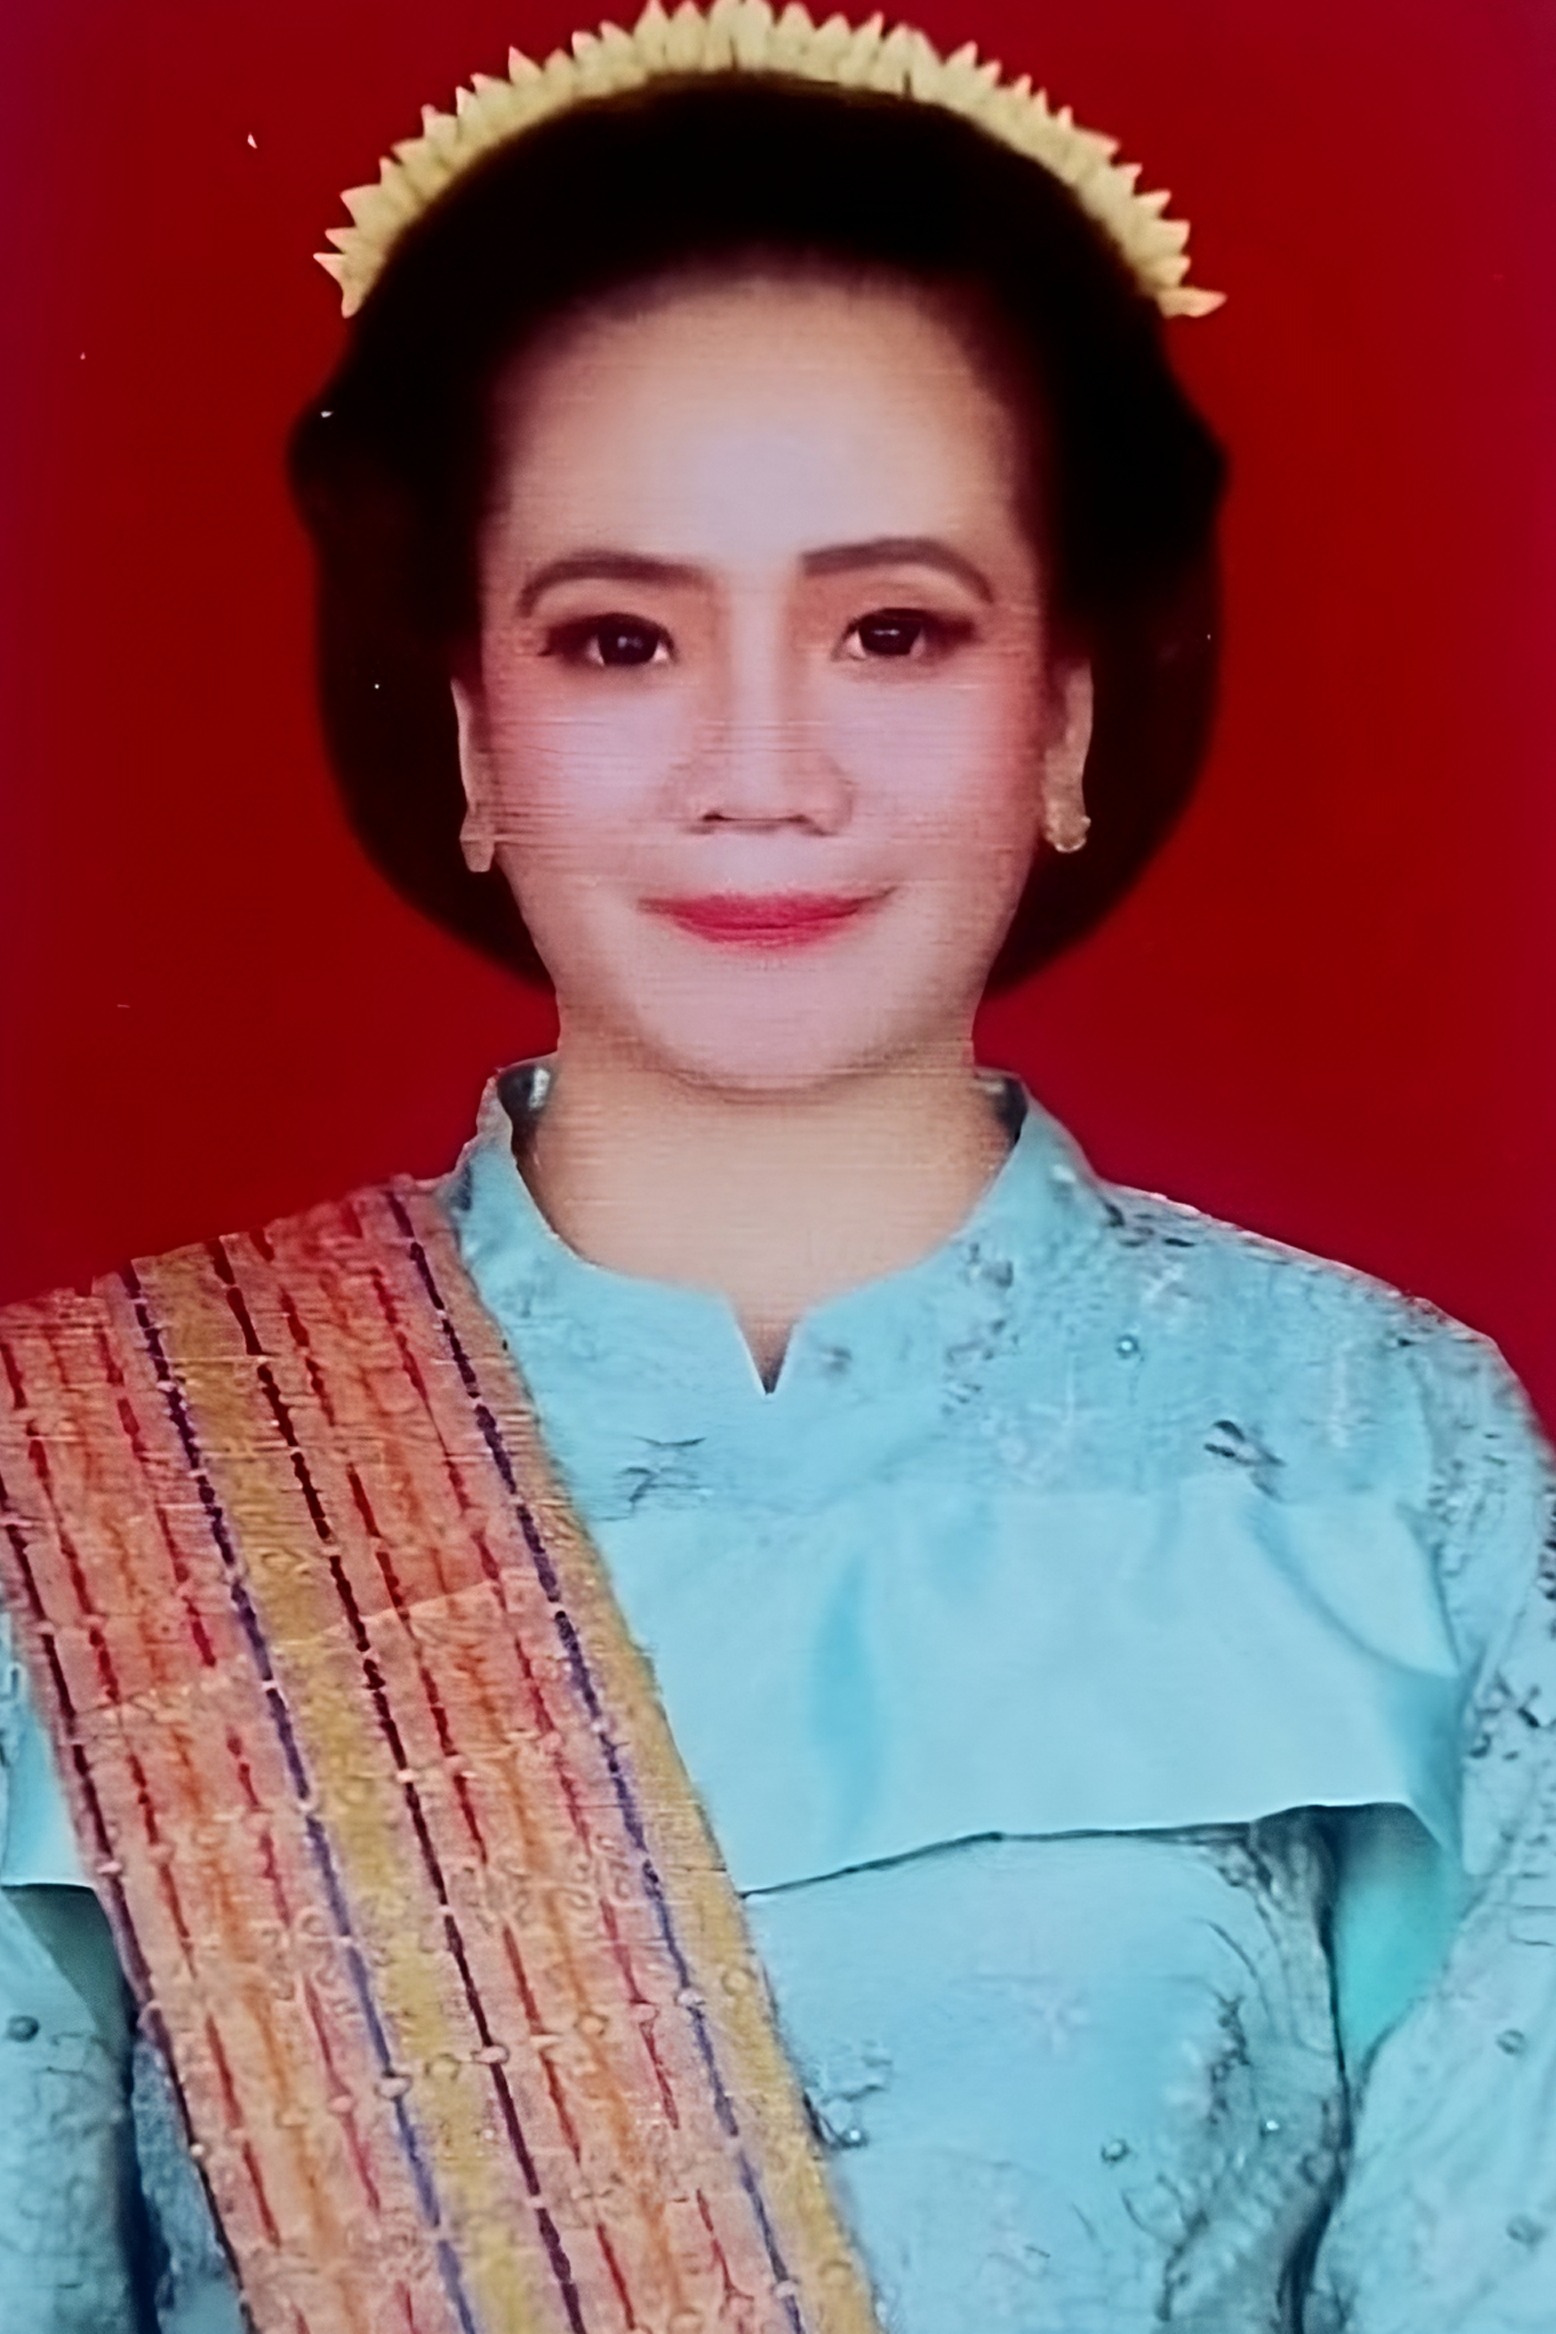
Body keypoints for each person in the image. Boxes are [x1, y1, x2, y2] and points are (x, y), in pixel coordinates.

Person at [1, 6, 1553, 2330]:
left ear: (1065, 720)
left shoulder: (1377, 1449)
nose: (760, 771)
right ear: (472, 740)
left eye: (891, 631)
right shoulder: (84, 1480)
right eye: (620, 638)